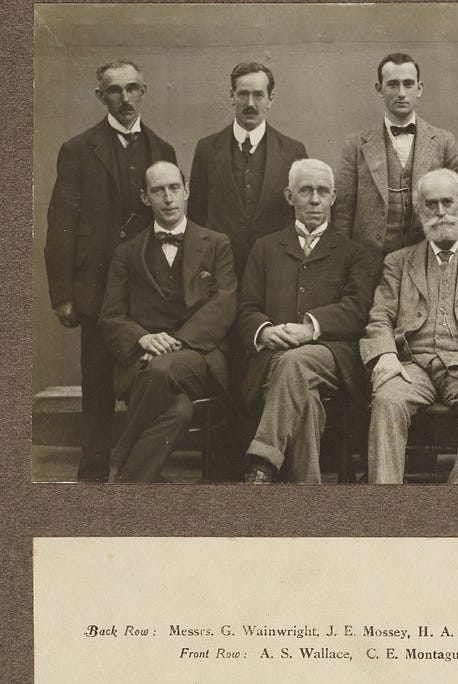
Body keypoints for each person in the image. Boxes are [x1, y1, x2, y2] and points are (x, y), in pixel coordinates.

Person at [44, 59, 177, 482]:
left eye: (132, 88)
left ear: (144, 90)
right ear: (100, 96)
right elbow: (61, 223)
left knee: (146, 380)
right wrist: (63, 293)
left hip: (148, 291)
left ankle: (141, 472)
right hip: (97, 288)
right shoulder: (79, 149)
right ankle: (94, 474)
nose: (125, 98)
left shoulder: (163, 151)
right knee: (98, 384)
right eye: (114, 91)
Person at [361, 169, 458, 484]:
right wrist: (385, 355)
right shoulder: (399, 261)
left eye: (447, 202)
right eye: (431, 204)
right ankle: (383, 507)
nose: (441, 212)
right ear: (420, 210)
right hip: (411, 364)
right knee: (387, 401)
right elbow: (380, 316)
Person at [238, 160, 380, 484]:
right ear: (290, 196)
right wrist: (266, 330)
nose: (314, 200)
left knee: (297, 360)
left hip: (332, 357)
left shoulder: (353, 252)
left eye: (322, 192)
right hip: (272, 358)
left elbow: (359, 309)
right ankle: (309, 499)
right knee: (308, 401)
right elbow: (246, 308)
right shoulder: (265, 248)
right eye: (306, 191)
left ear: (334, 198)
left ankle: (262, 461)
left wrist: (310, 327)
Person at [98, 162, 236, 482]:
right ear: (145, 198)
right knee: (178, 411)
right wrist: (142, 339)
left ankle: (120, 452)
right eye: (158, 191)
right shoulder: (127, 252)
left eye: (174, 188)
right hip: (143, 360)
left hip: (198, 356)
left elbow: (224, 305)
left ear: (186, 191)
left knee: (161, 368)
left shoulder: (216, 244)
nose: (169, 198)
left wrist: (173, 345)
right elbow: (111, 317)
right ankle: (133, 481)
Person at [333, 52, 458, 254]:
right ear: (380, 89)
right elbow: (342, 215)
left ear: (419, 89)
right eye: (393, 84)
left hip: (426, 257)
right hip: (369, 261)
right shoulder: (355, 145)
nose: (401, 93)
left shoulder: (443, 141)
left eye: (408, 84)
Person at [189, 62, 308, 279]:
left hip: (275, 270)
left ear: (270, 99)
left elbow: (300, 217)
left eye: (258, 95)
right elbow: (196, 215)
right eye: (243, 94)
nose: (250, 104)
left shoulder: (293, 151)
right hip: (220, 270)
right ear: (232, 96)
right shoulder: (206, 149)